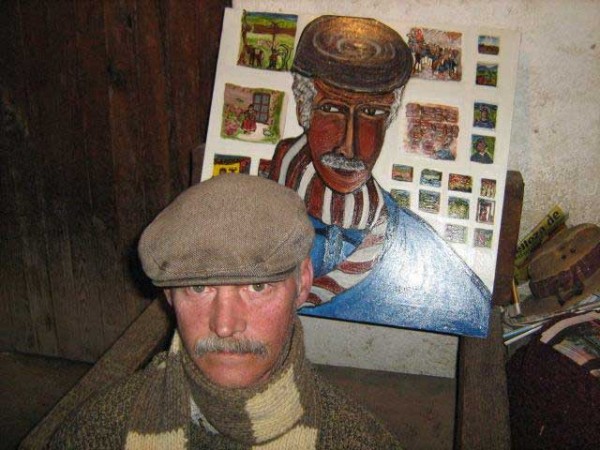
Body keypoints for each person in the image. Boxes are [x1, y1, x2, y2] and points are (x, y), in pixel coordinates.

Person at [48, 174, 402, 449]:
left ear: (303, 283)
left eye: (257, 287)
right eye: (199, 288)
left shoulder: (356, 440)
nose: (225, 325)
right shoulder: (99, 433)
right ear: (169, 295)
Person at [269, 15, 490, 336]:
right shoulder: (248, 217)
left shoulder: (424, 258)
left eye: (372, 113)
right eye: (332, 109)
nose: (350, 146)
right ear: (304, 107)